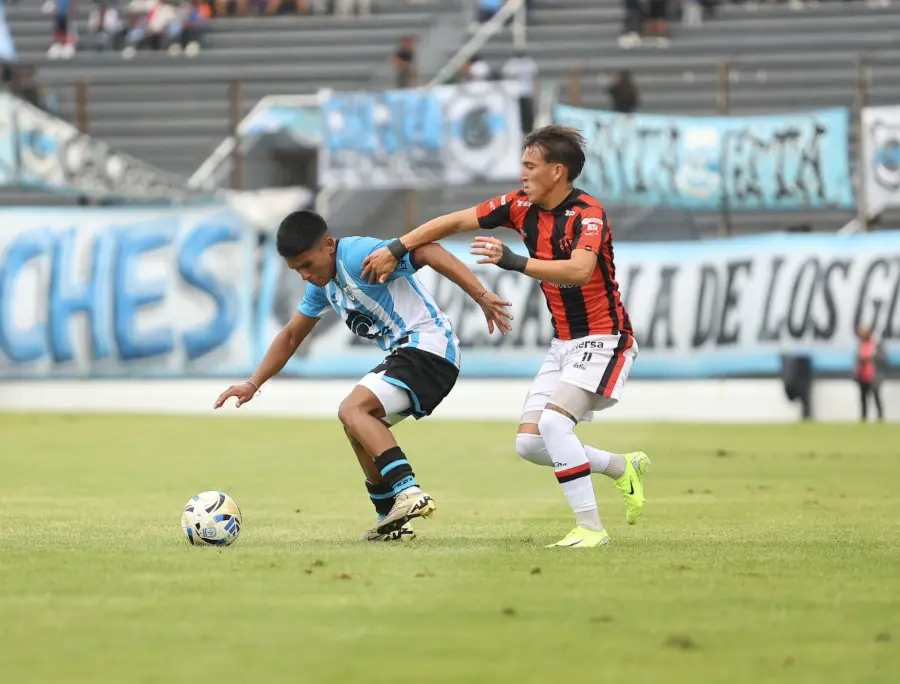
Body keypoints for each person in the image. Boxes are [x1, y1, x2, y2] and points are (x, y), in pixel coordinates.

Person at [361, 125, 650, 549]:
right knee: (531, 443)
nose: (522, 175)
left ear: (557, 171)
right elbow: (453, 221)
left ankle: (591, 529)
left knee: (554, 423)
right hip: (563, 344)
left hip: (605, 338)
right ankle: (620, 467)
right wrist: (397, 247)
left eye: (530, 167)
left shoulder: (588, 213)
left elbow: (580, 270)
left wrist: (515, 261)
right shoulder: (518, 206)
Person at [214, 211, 513, 542]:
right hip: (415, 355)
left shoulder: (357, 256)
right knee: (357, 426)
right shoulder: (323, 286)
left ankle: (409, 491)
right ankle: (390, 520)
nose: (303, 275)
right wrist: (253, 384)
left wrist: (481, 295)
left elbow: (430, 250)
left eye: (307, 265)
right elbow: (291, 336)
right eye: (295, 270)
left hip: (428, 347)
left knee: (352, 409)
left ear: (328, 245)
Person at [855, 324, 887, 422]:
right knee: (863, 399)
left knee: (876, 397)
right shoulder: (861, 345)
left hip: (873, 376)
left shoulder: (875, 345)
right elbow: (857, 359)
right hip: (862, 376)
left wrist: (869, 358)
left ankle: (880, 418)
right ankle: (863, 418)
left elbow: (882, 359)